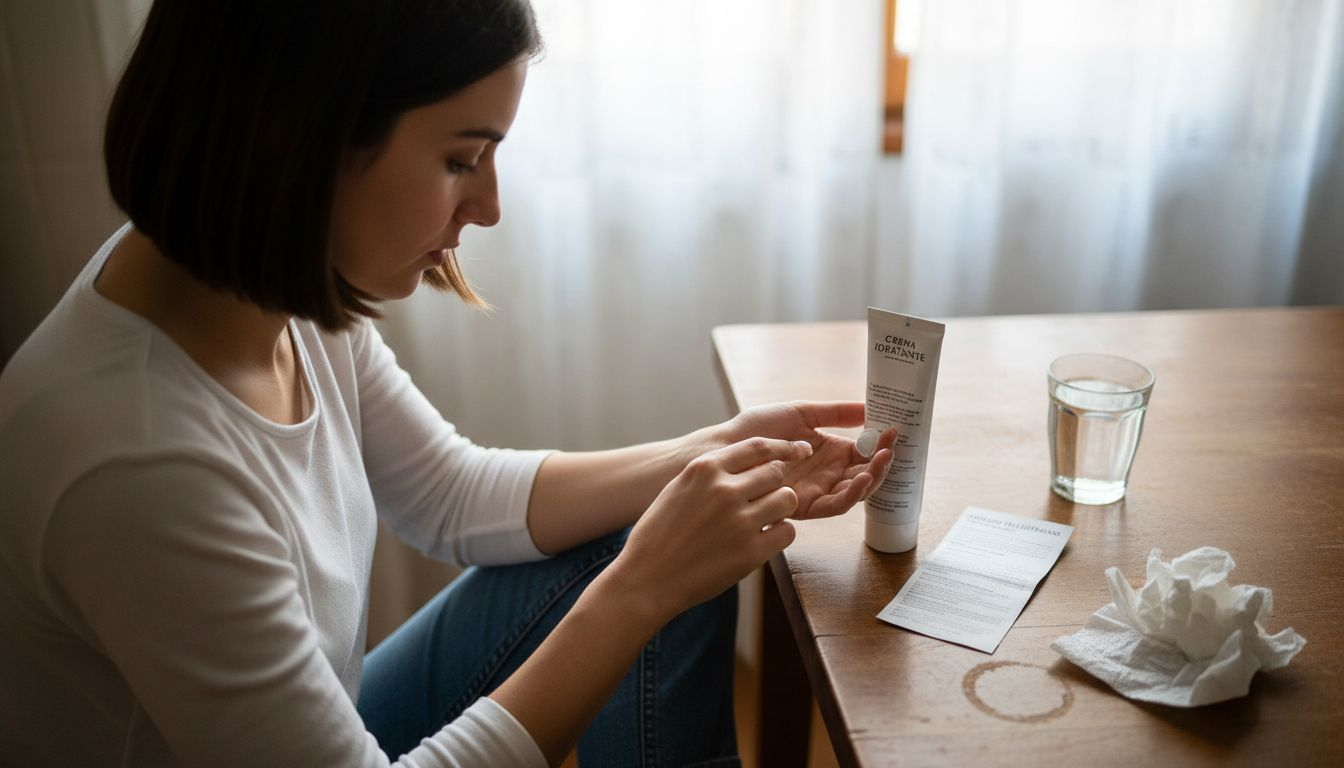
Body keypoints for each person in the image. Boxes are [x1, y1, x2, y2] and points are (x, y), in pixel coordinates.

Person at [0, 1, 895, 766]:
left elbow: (448, 493)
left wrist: (713, 453)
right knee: (651, 567)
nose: (488, 205)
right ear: (304, 135)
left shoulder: (268, 285)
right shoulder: (136, 459)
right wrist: (638, 591)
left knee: (666, 528)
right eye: (461, 159)